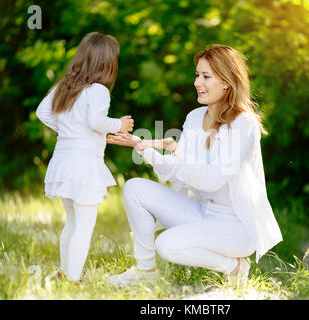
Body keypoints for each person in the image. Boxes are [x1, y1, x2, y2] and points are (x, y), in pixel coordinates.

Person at [106, 44, 282, 286]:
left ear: (227, 82)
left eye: (206, 76)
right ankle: (145, 271)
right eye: (197, 75)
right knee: (134, 188)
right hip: (202, 213)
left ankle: (235, 266)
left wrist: (175, 149)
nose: (197, 82)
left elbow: (212, 179)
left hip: (237, 228)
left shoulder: (244, 124)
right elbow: (175, 172)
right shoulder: (195, 117)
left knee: (166, 244)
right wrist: (141, 146)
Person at [35, 32, 134, 282]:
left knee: (72, 221)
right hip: (84, 166)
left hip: (63, 160)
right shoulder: (98, 90)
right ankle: (73, 279)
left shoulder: (66, 85)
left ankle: (64, 271)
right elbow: (96, 121)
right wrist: (118, 124)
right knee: (85, 225)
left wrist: (70, 132)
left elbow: (42, 112)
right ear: (105, 64)